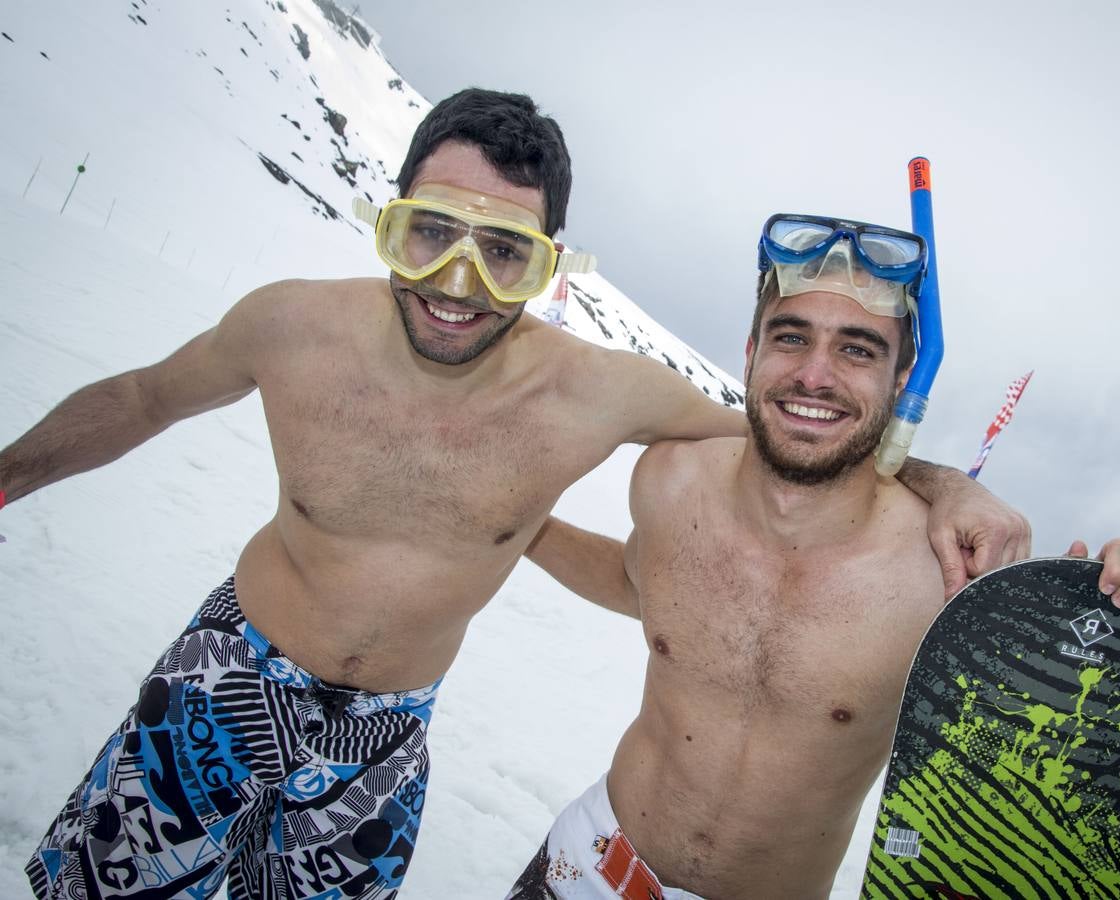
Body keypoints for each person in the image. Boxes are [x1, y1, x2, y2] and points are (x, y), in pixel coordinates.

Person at [1, 89, 1027, 899]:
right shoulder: (290, 328)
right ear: (388, 217)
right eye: (428, 233)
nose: (457, 282)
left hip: (383, 740)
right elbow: (142, 397)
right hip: (225, 677)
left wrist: (937, 485)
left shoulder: (598, 391)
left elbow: (794, 433)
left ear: (547, 268)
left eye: (503, 254)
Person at [509, 213, 1120, 899]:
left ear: (903, 382)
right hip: (589, 864)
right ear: (751, 351)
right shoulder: (671, 481)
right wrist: (514, 527)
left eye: (858, 350)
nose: (814, 374)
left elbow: (1044, 736)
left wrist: (1114, 604)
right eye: (790, 337)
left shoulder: (947, 573)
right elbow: (642, 587)